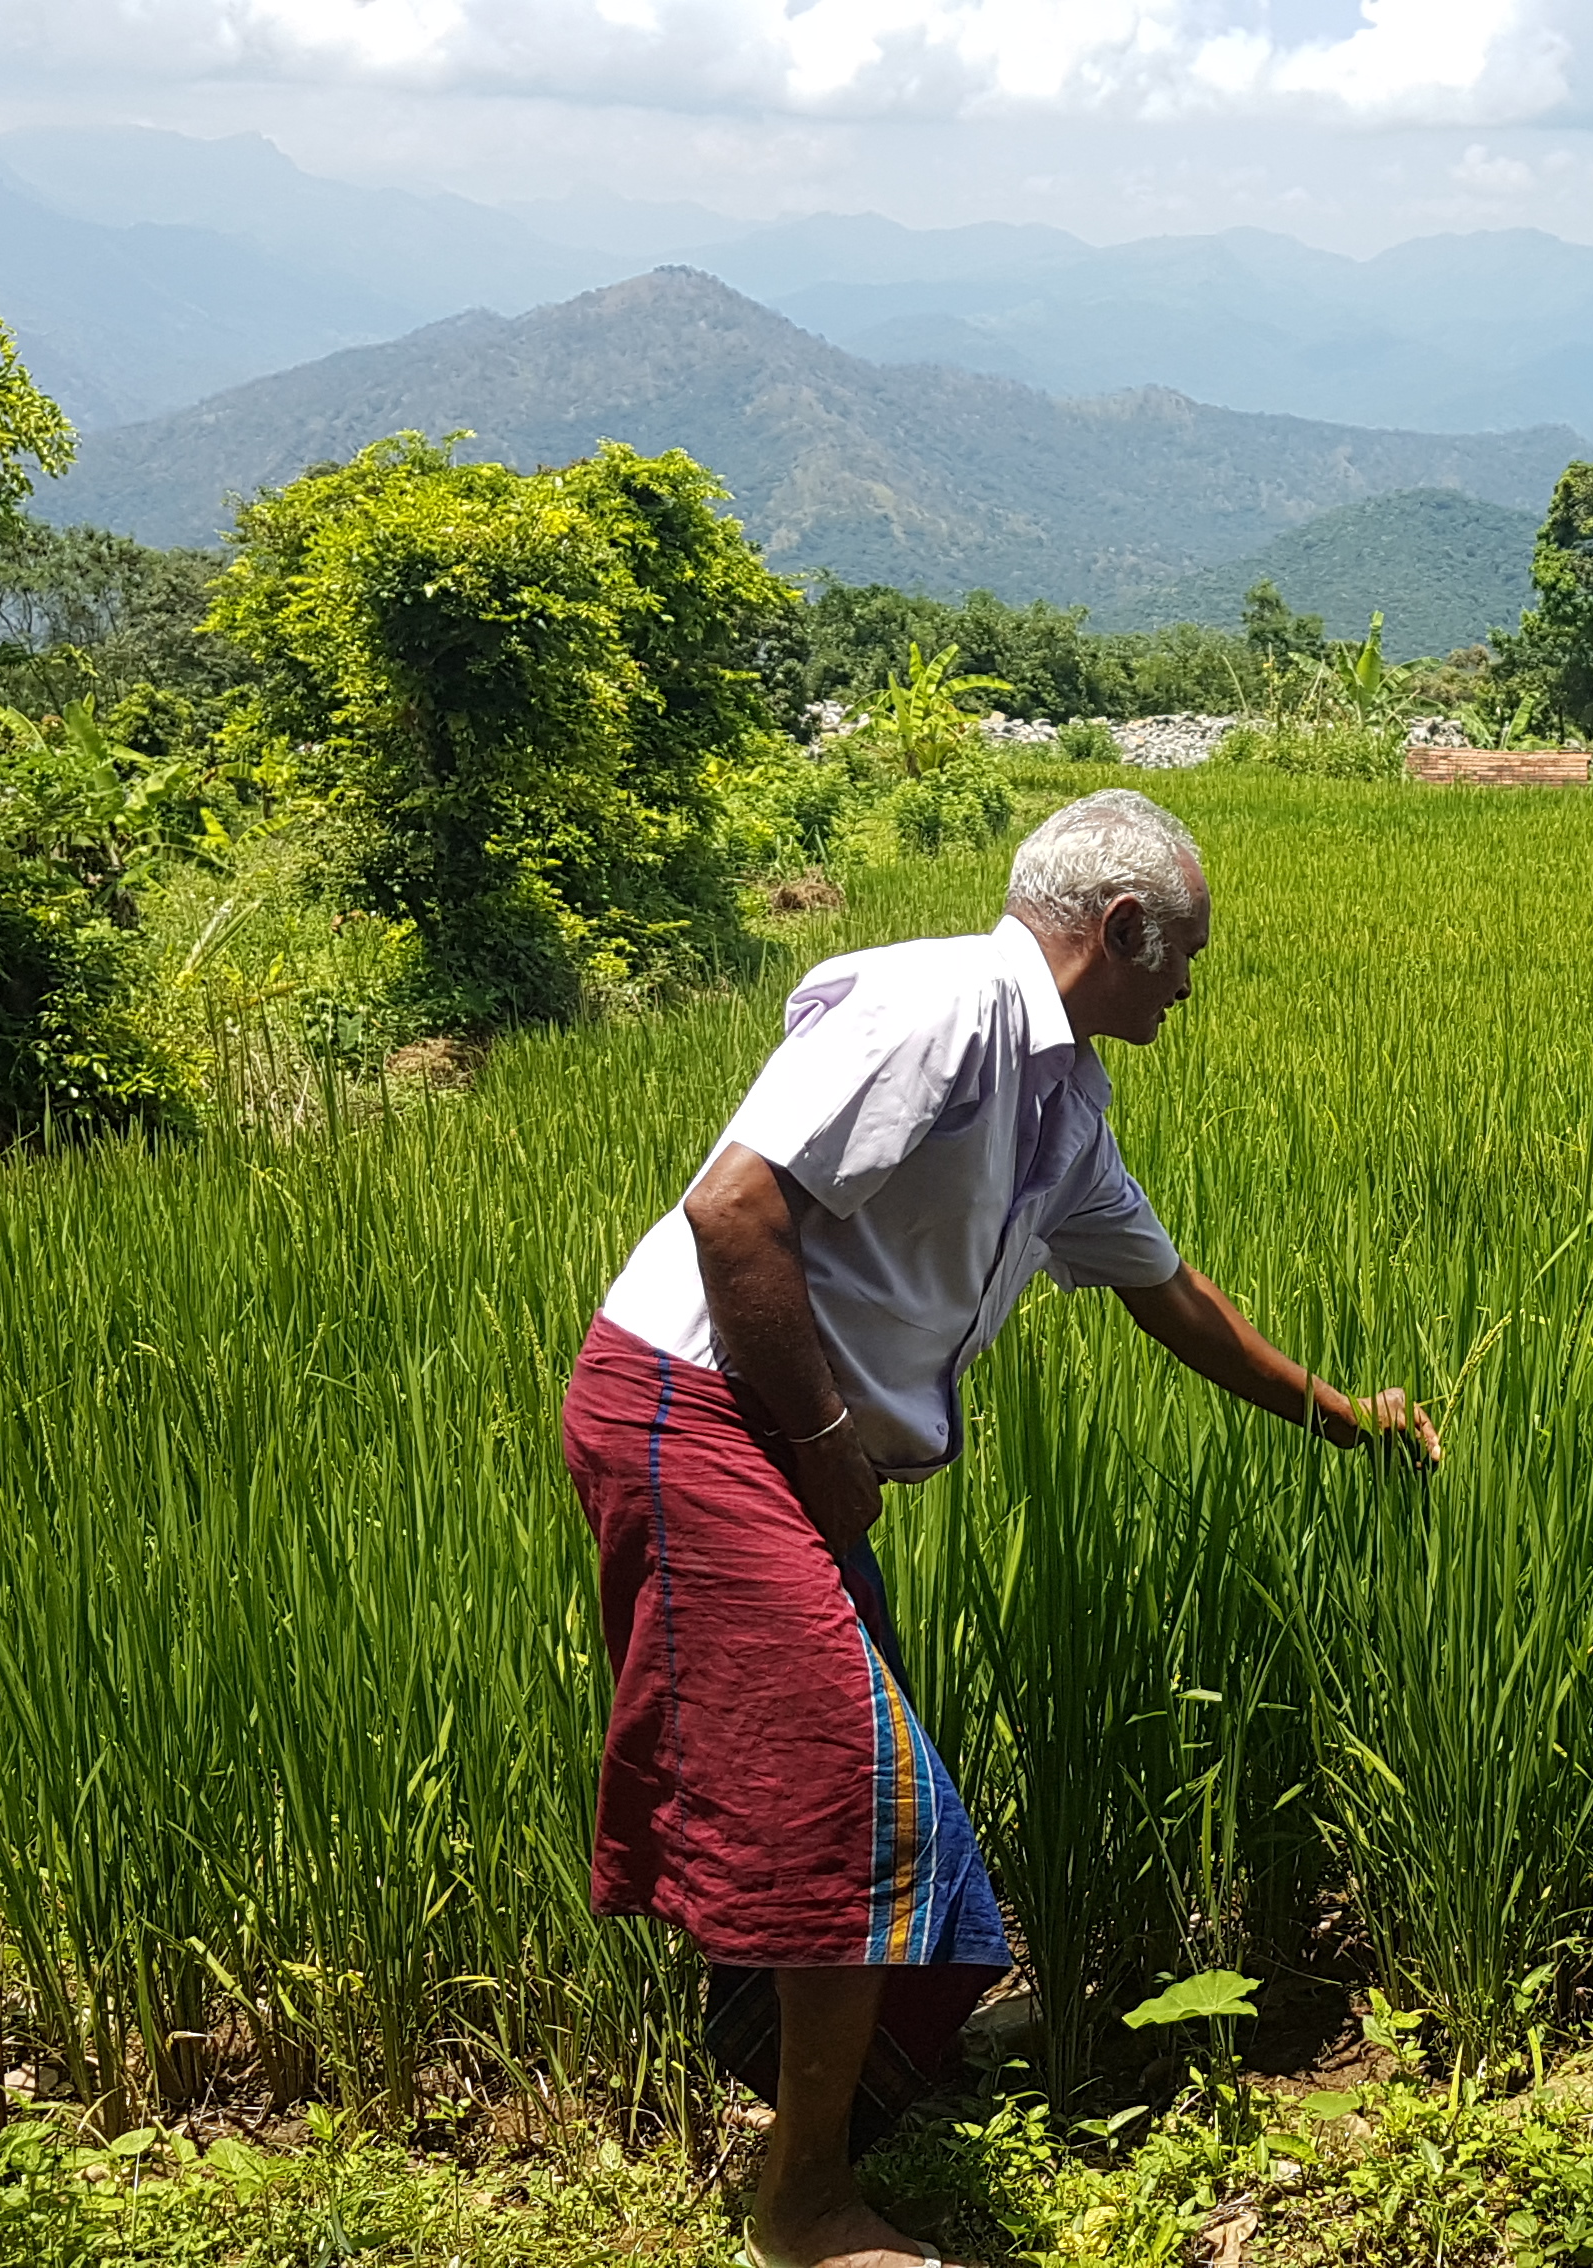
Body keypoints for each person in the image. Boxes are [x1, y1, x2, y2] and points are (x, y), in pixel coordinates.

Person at [561, 789, 1437, 2268]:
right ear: (1121, 929)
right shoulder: (944, 1007)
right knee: (854, 1797)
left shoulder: (1061, 1103)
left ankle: (832, 2100)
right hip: (703, 1415)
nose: (1191, 983)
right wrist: (831, 1437)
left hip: (779, 1438)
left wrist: (1344, 1417)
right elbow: (731, 1212)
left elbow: (1170, 1292)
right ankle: (805, 2207)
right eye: (1185, 953)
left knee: (847, 1785)